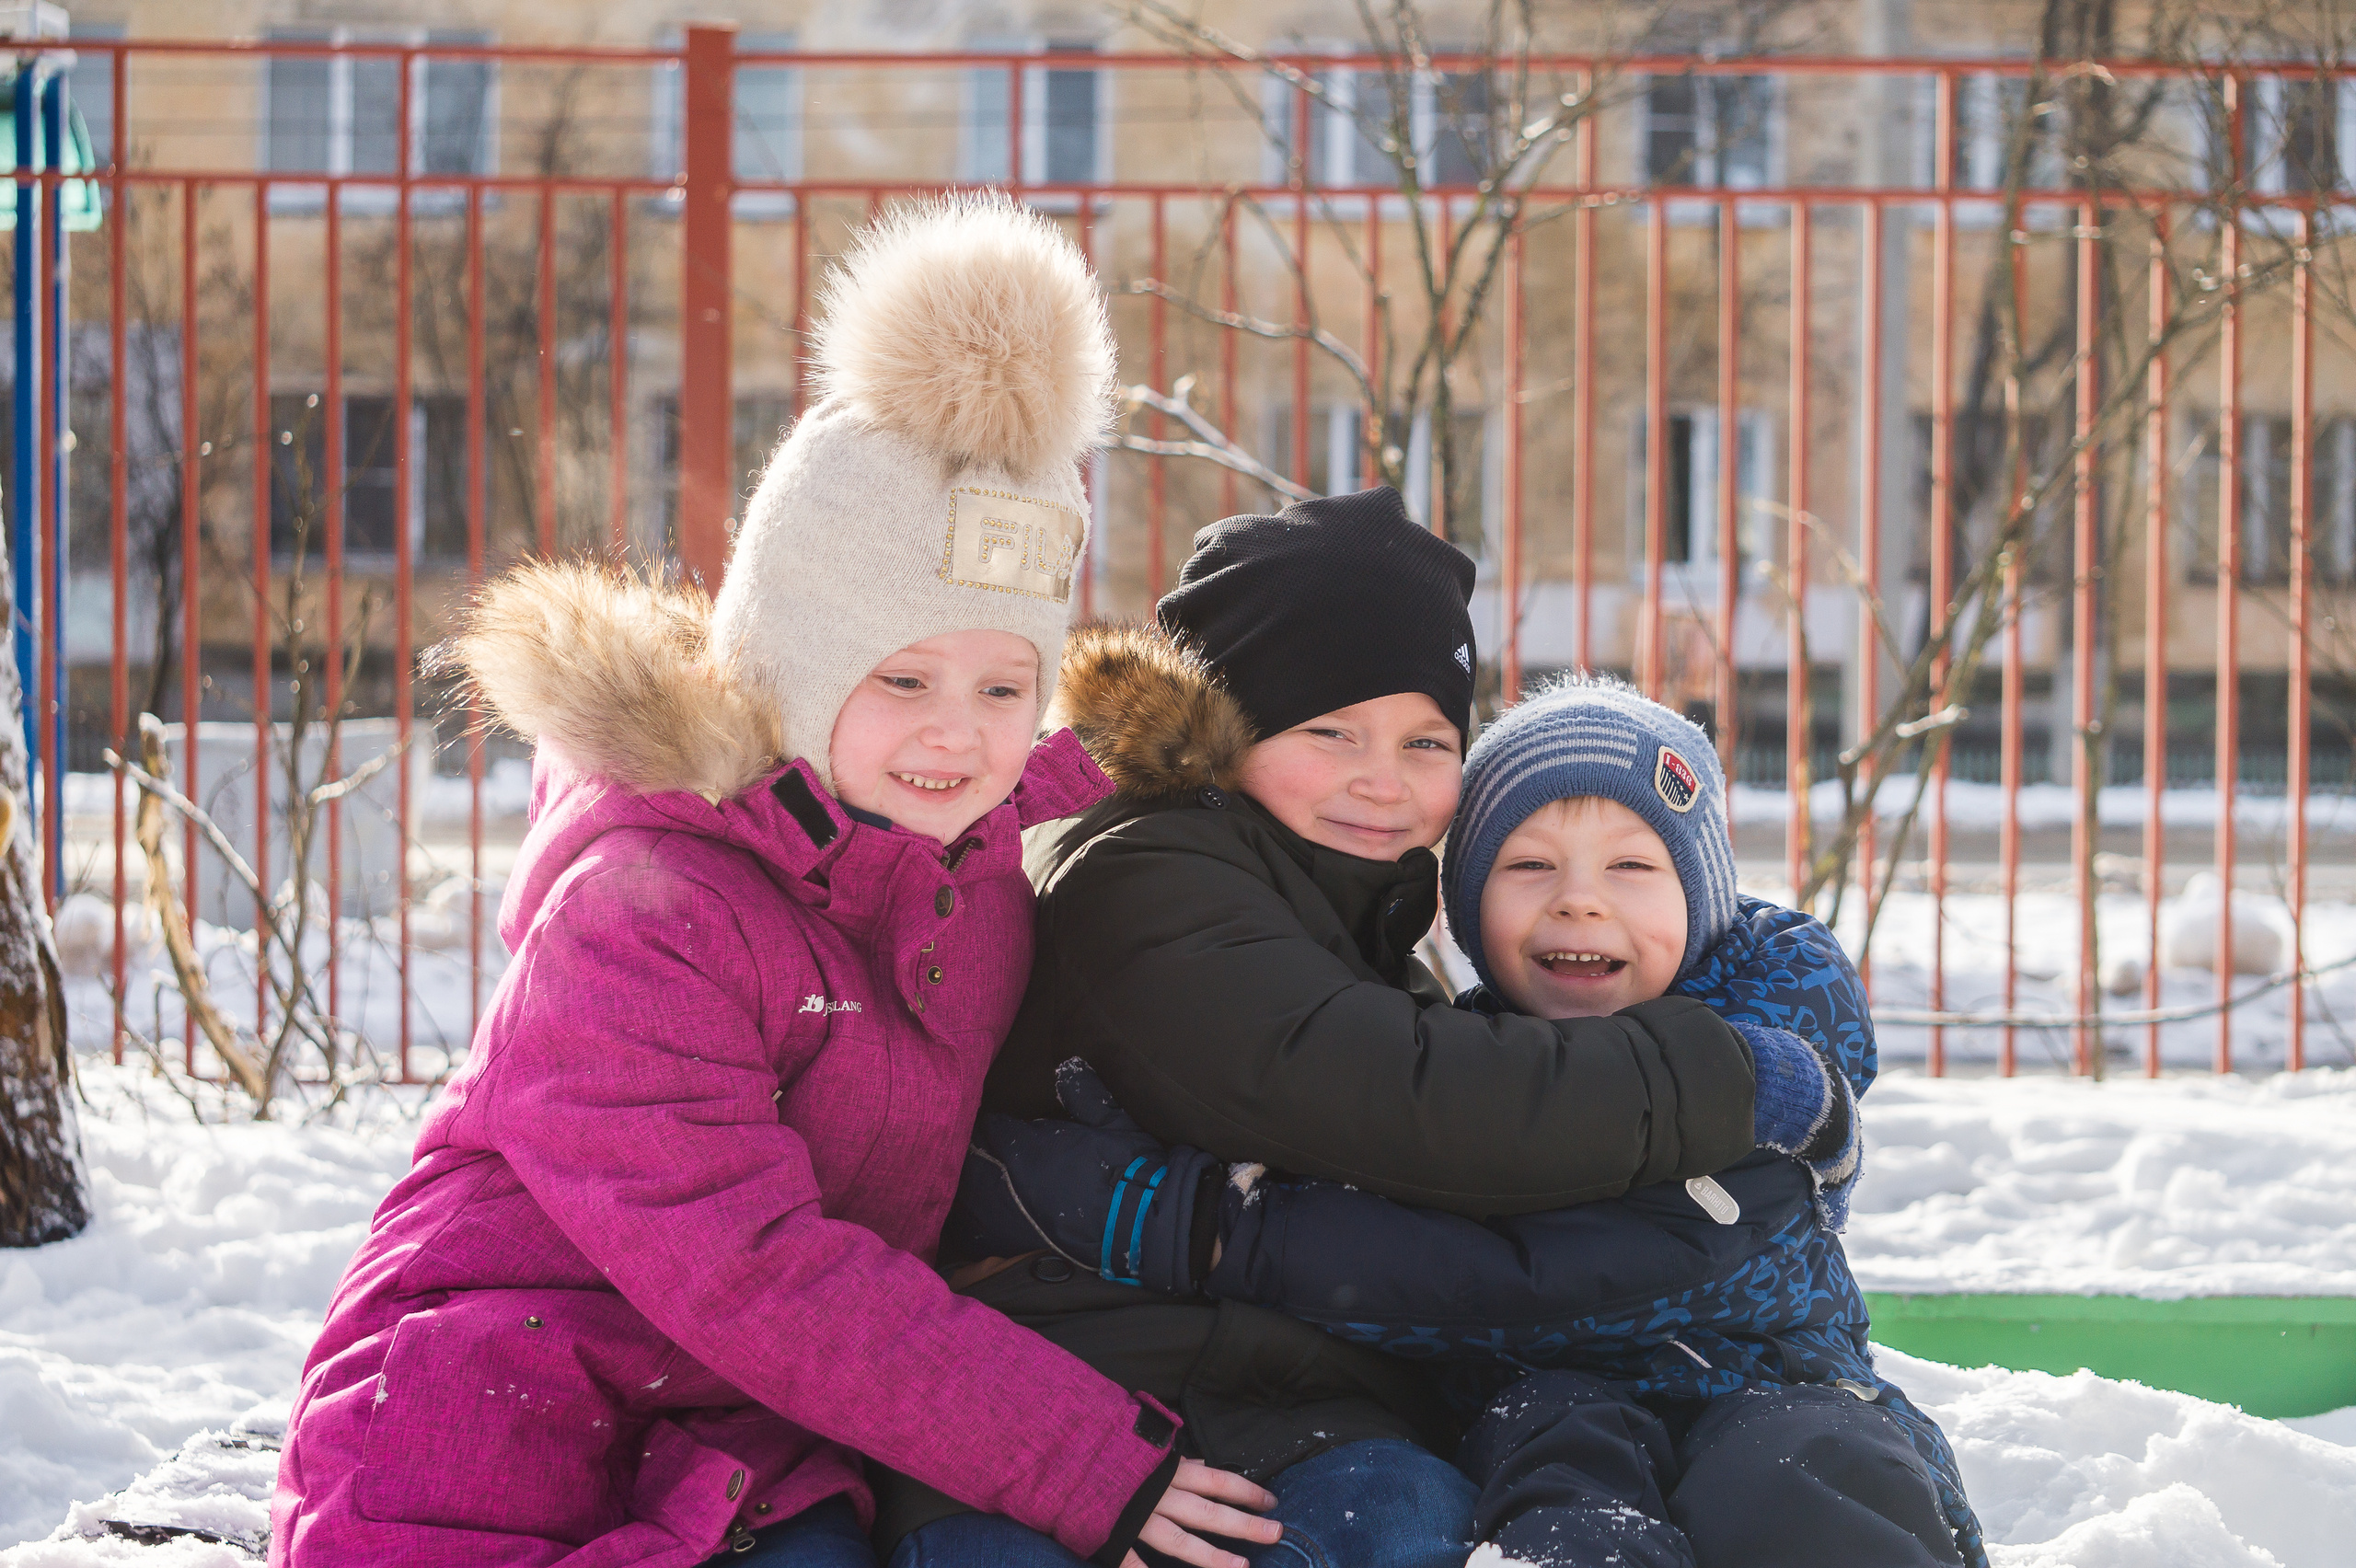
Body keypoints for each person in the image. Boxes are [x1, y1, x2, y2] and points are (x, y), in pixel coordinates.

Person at [268, 195, 1280, 1568]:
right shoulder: (643, 914)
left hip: (750, 1425)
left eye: (1004, 688)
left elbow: (1076, 781)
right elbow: (749, 1265)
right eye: (903, 679)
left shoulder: (966, 839)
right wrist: (1081, 1456)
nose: (958, 734)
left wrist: (1267, 746)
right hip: (491, 1393)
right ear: (792, 674)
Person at [884, 489, 1851, 1568]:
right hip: (1074, 1390)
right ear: (1220, 734)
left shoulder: (1345, 914)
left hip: (1306, 1404)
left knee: (1407, 1521)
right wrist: (1726, 1079)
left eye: (1426, 740)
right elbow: (1403, 1100)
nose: (1381, 779)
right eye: (1330, 730)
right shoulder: (1141, 871)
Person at [970, 675, 1986, 1568]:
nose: (1578, 903)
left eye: (1633, 869)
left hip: (1774, 1382)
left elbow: (1516, 1276)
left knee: (1800, 1482)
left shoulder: (1769, 1036)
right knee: (1559, 1506)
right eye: (1529, 867)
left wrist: (1187, 1223)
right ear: (1465, 908)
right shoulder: (1474, 1059)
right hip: (1548, 1399)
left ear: (1704, 895)